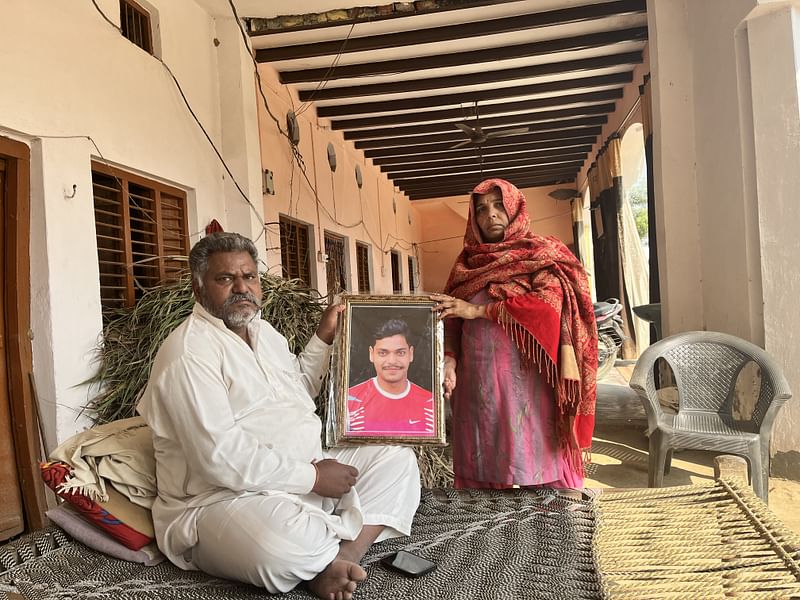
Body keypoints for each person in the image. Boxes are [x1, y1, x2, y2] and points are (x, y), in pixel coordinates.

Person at [137, 232, 420, 600]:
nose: (242, 287)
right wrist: (314, 477)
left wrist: (323, 338)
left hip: (301, 471)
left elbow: (298, 389)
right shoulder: (189, 354)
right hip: (223, 499)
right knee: (280, 546)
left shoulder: (263, 331)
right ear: (198, 287)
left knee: (396, 458)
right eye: (226, 279)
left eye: (250, 276)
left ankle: (343, 557)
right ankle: (317, 556)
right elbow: (219, 458)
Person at [431, 178, 597, 490]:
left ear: (515, 209)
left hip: (531, 385)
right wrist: (449, 359)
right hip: (478, 386)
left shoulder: (542, 254)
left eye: (498, 206)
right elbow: (451, 319)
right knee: (485, 474)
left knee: (539, 468)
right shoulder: (466, 265)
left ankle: (555, 530)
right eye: (481, 209)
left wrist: (479, 311)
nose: (490, 214)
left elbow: (546, 307)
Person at [347, 319, 434, 436]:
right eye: (383, 353)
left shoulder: (430, 402)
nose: (392, 361)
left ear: (411, 354)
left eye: (400, 353)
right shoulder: (349, 400)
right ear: (371, 354)